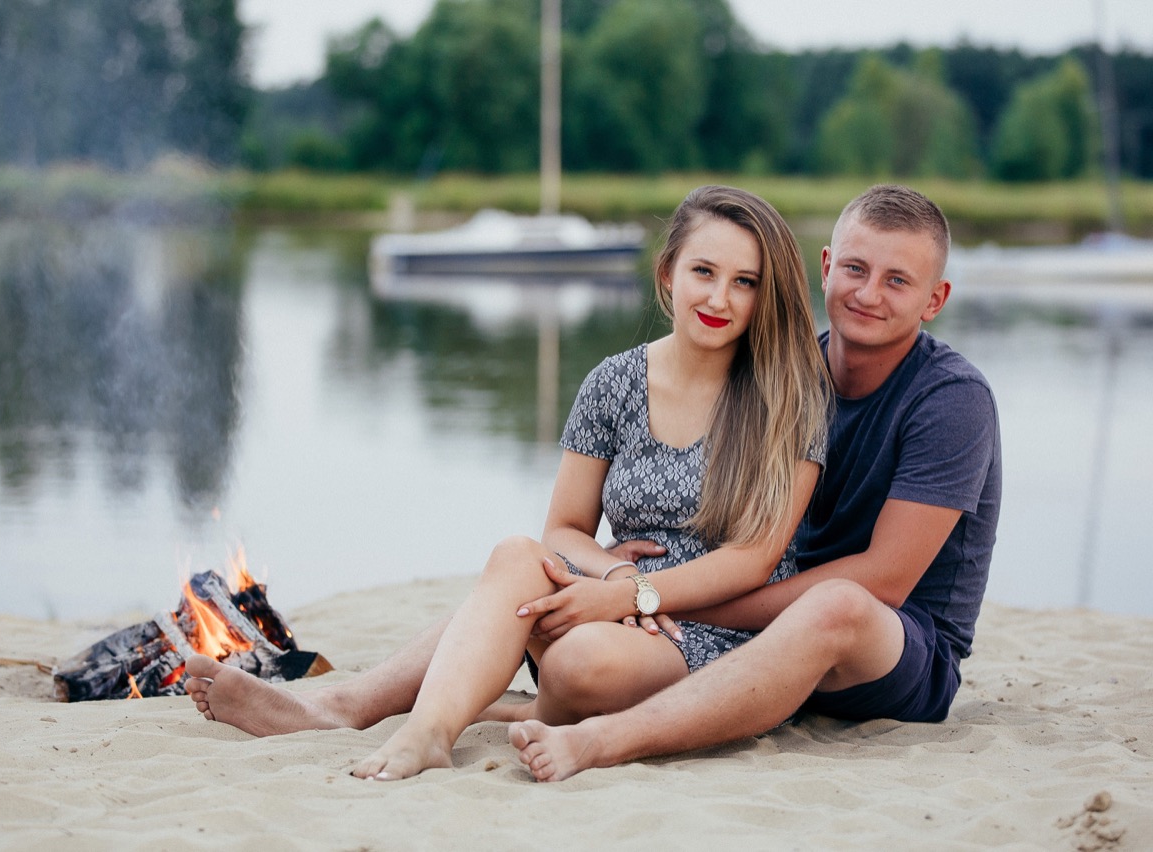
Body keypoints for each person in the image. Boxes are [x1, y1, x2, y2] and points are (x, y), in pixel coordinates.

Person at [184, 185, 832, 780]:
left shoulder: (788, 398)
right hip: (609, 595)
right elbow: (565, 530)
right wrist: (611, 574)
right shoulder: (613, 382)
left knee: (576, 662)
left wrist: (634, 596)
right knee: (516, 557)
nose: (719, 299)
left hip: (713, 633)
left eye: (744, 282)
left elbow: (755, 559)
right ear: (668, 273)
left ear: (765, 294)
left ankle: (499, 708)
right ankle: (392, 722)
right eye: (704, 272)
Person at [506, 183, 1002, 781]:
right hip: (764, 625)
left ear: (934, 299)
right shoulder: (788, 376)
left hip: (893, 649)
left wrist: (659, 593)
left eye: (898, 280)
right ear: (826, 268)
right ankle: (418, 701)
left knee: (838, 605)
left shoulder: (952, 400)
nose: (869, 293)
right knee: (525, 574)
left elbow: (886, 580)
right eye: (855, 268)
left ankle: (604, 741)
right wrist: (621, 573)